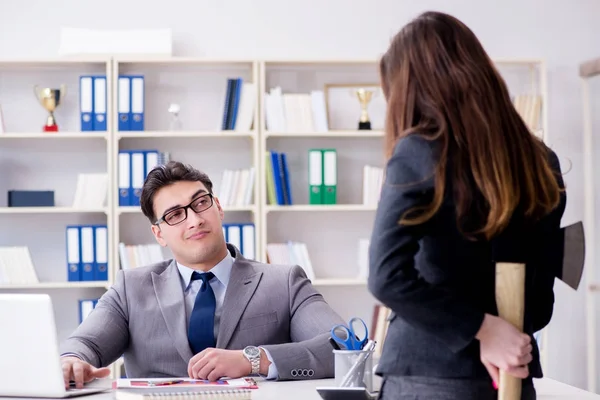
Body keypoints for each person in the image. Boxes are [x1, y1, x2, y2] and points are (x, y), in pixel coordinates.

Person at [368, 11, 566, 400]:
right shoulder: (541, 160)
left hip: (429, 376)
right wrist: (501, 336)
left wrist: (484, 330)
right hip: (511, 375)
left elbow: (386, 276)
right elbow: (540, 300)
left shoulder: (418, 152)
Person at [60, 161, 345, 388]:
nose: (195, 220)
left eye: (201, 203)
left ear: (218, 208)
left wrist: (255, 359)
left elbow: (343, 345)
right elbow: (85, 344)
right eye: (174, 215)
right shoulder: (130, 288)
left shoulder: (283, 281)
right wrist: (72, 360)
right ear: (159, 233)